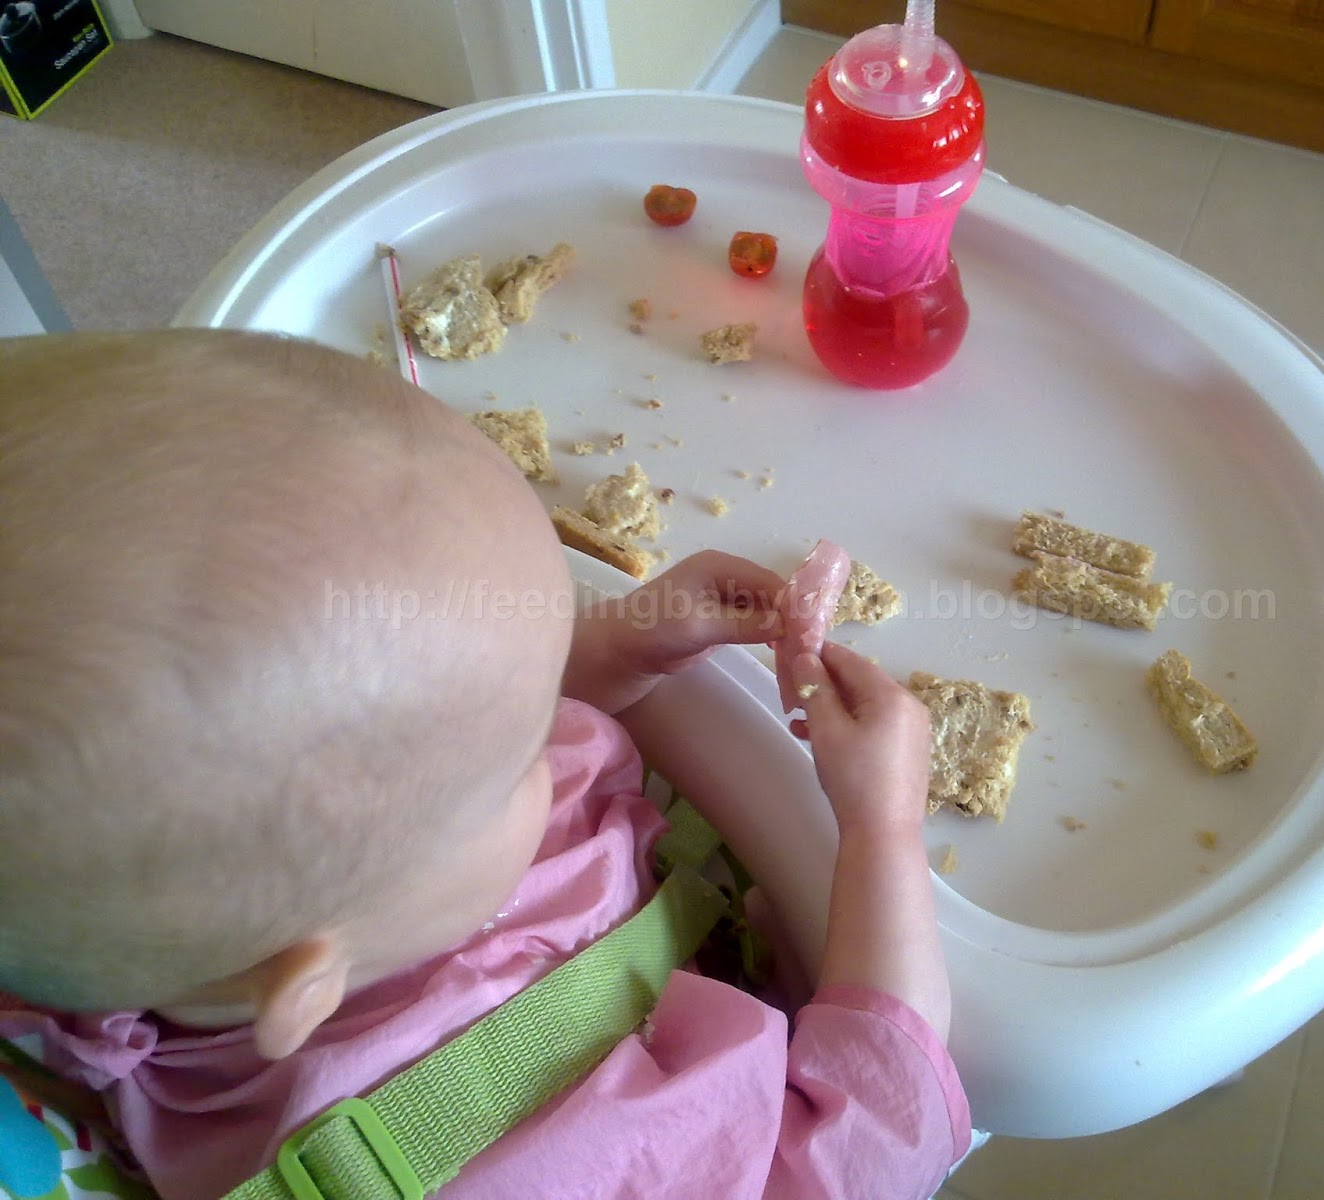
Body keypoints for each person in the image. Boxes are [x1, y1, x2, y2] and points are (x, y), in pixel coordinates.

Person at [0, 329, 970, 1199]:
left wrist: (611, 646)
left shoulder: (156, 890)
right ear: (307, 979)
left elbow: (383, 739)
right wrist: (882, 825)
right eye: (517, 757)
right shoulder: (556, 1163)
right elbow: (871, 1156)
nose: (563, 736)